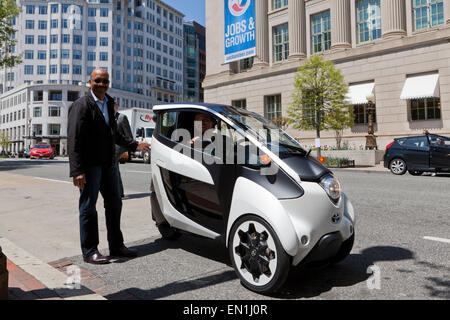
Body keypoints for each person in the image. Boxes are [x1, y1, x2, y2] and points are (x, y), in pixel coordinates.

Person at [68, 68, 150, 264]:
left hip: (109, 164)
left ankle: (116, 246)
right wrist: (77, 170)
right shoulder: (82, 105)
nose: (101, 84)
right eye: (97, 81)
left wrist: (135, 145)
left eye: (105, 81)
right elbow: (74, 139)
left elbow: (115, 135)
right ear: (90, 82)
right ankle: (90, 251)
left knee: (115, 204)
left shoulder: (109, 103)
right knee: (88, 207)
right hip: (90, 166)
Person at [114, 103, 135, 198]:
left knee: (112, 168)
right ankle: (119, 192)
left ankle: (118, 193)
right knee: (114, 170)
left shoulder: (122, 118)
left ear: (116, 107)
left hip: (119, 147)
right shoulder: (108, 117)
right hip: (112, 147)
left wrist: (129, 148)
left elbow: (129, 135)